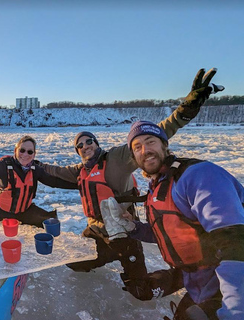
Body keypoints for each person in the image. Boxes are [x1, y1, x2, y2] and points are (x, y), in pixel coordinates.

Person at [36, 68, 224, 281]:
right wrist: (33, 163)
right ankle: (105, 255)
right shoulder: (80, 171)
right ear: (78, 151)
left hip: (125, 230)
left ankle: (181, 278)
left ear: (97, 144)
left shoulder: (116, 158)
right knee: (75, 264)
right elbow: (55, 170)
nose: (86, 146)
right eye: (80, 145)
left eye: (90, 141)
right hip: (97, 230)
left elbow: (157, 131)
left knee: (139, 288)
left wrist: (185, 110)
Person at [101, 120, 244, 319]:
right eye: (137, 147)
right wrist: (134, 228)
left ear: (164, 145)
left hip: (228, 284)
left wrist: (234, 313)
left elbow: (235, 244)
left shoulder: (198, 176)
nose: (145, 150)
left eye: (150, 142)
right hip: (198, 280)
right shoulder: (159, 186)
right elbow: (172, 232)